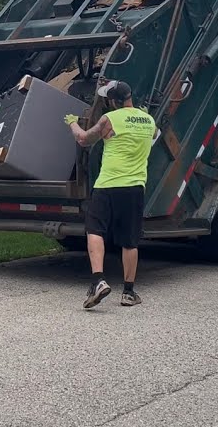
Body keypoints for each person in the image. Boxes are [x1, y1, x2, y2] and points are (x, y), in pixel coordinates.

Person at [66, 80, 156, 309]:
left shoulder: (110, 120)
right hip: (135, 187)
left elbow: (84, 139)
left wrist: (73, 124)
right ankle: (128, 292)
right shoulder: (149, 120)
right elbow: (154, 136)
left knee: (95, 230)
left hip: (108, 185)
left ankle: (98, 281)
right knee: (130, 240)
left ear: (113, 101)